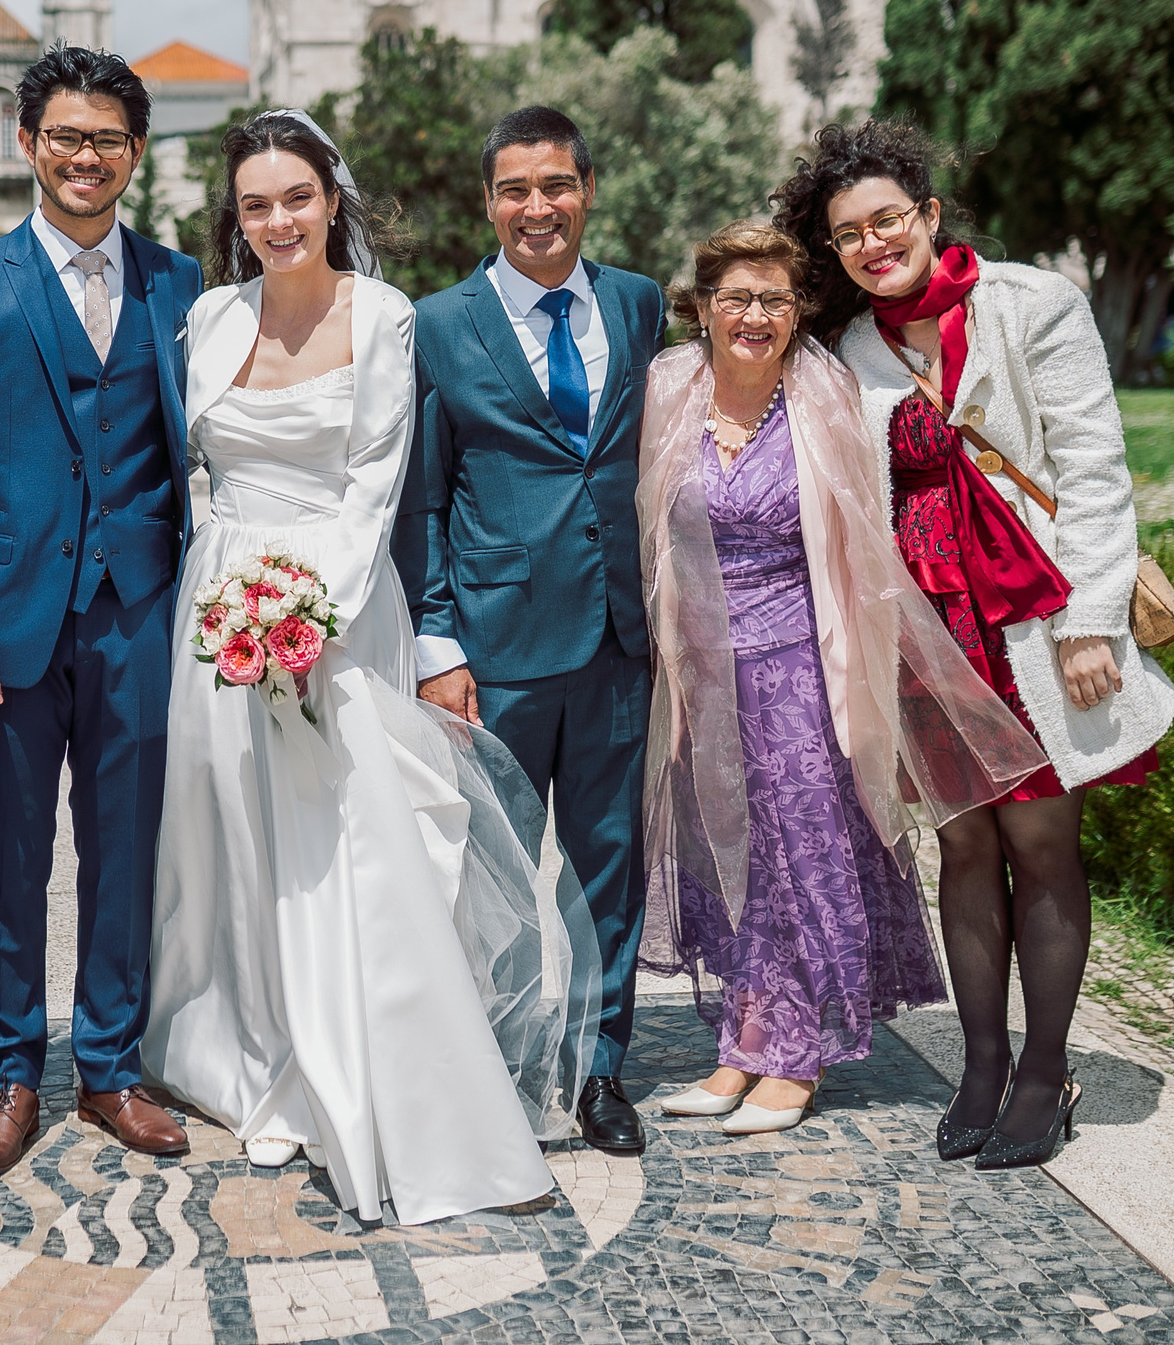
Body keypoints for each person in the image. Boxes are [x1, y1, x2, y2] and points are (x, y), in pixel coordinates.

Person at [144, 113, 590, 1225]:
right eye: (255, 204)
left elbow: (374, 484)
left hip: (331, 608)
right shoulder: (208, 316)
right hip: (219, 603)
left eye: (296, 197)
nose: (278, 220)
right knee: (234, 835)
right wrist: (232, 609)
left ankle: (381, 1068)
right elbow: (197, 472)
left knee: (351, 842)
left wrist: (303, 624)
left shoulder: (383, 316)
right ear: (235, 217)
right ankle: (250, 1050)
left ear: (331, 200)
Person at [771, 120, 1174, 1169]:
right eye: (848, 233)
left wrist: (1091, 622)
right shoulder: (849, 350)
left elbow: (1094, 467)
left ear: (929, 214)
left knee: (1041, 846)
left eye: (887, 220)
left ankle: (1045, 1073)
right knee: (963, 848)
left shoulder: (1031, 303)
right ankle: (982, 1065)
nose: (873, 243)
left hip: (1036, 626)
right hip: (926, 638)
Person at [635, 223, 1045, 1137]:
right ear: (703, 307)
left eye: (774, 300)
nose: (754, 316)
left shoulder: (823, 390)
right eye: (736, 298)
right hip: (701, 666)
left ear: (797, 311)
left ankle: (796, 1055)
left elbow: (865, 536)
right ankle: (744, 1041)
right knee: (728, 851)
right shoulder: (669, 385)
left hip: (801, 661)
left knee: (799, 855)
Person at [0, 44, 200, 1179]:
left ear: (137, 151)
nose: (87, 157)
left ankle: (112, 1067)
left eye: (108, 139)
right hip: (6, 619)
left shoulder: (179, 282)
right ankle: (10, 1074)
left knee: (125, 851)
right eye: (67, 136)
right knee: (11, 856)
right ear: (29, 142)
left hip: (139, 611)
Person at [392, 106, 662, 1157]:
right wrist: (436, 643)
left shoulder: (637, 304)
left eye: (555, 185)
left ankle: (598, 1068)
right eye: (514, 189)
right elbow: (422, 498)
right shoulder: (438, 323)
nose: (536, 207)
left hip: (618, 642)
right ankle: (502, 1066)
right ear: (489, 202)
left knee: (606, 869)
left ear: (586, 189)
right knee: (494, 870)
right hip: (494, 648)